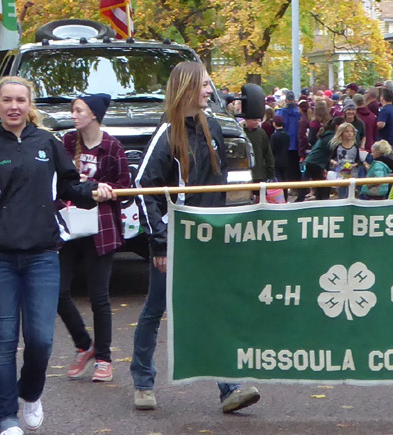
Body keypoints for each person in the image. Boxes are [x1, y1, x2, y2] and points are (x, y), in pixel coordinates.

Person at [0, 76, 114, 435]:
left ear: (29, 104)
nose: (13, 107)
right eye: (6, 100)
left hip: (42, 254)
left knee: (41, 339)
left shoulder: (47, 142)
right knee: (5, 341)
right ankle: (5, 417)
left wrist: (93, 192)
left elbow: (70, 186)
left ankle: (31, 394)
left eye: (20, 100)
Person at [130, 62, 260, 414]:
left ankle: (229, 387)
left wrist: (223, 229)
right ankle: (143, 381)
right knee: (156, 307)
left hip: (206, 238)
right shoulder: (167, 134)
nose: (209, 90)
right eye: (204, 84)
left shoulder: (213, 127)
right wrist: (159, 242)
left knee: (212, 308)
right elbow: (145, 187)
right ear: (187, 88)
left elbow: (217, 187)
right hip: (174, 239)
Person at [56, 94, 131, 383]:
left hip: (101, 228)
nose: (74, 115)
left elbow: (124, 185)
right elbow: (60, 181)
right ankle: (84, 344)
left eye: (79, 110)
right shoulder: (66, 143)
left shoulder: (112, 146)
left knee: (99, 296)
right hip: (71, 226)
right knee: (58, 292)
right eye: (73, 110)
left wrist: (105, 188)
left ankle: (104, 358)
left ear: (95, 115)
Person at [296, 117, 340, 202]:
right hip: (316, 163)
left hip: (309, 161)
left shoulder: (326, 134)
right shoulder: (331, 137)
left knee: (306, 185)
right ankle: (319, 203)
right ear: (337, 127)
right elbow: (329, 151)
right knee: (322, 187)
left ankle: (300, 201)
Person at [241, 116, 275, 185]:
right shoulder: (241, 133)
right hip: (244, 173)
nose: (257, 122)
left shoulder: (261, 133)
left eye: (257, 120)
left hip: (259, 174)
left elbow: (268, 153)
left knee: (259, 194)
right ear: (246, 120)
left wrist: (270, 172)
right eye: (254, 120)